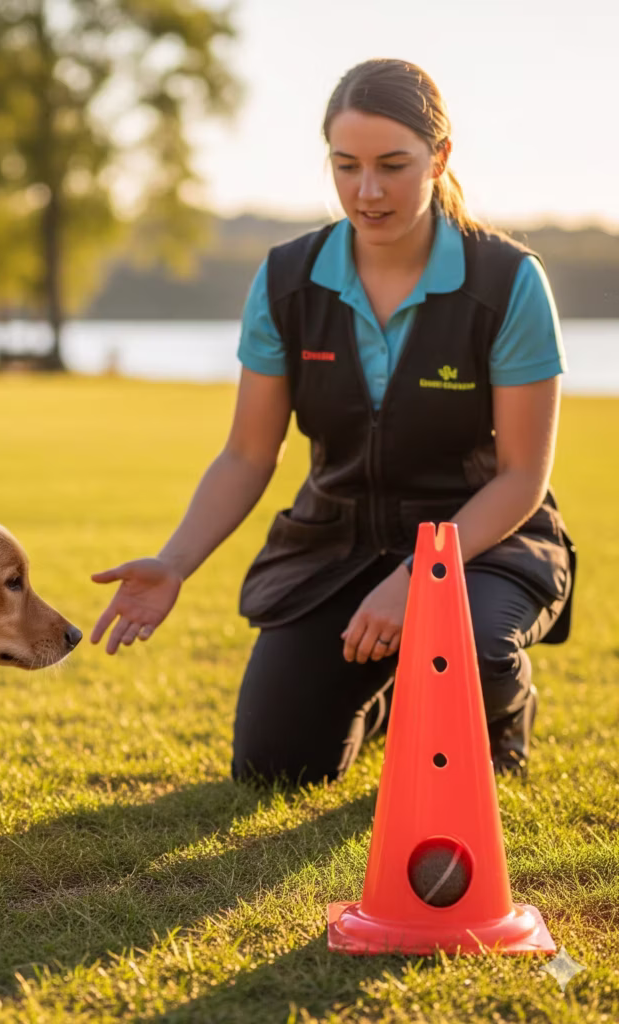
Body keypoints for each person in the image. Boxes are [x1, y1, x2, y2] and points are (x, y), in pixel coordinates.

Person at [90, 58, 575, 787]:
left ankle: (499, 716)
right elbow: (249, 454)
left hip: (480, 543)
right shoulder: (288, 278)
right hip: (336, 545)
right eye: (346, 166)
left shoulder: (507, 282)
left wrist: (420, 576)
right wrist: (175, 562)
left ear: (440, 159)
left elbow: (521, 478)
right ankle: (389, 702)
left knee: (470, 645)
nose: (367, 191)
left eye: (393, 166)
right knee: (275, 766)